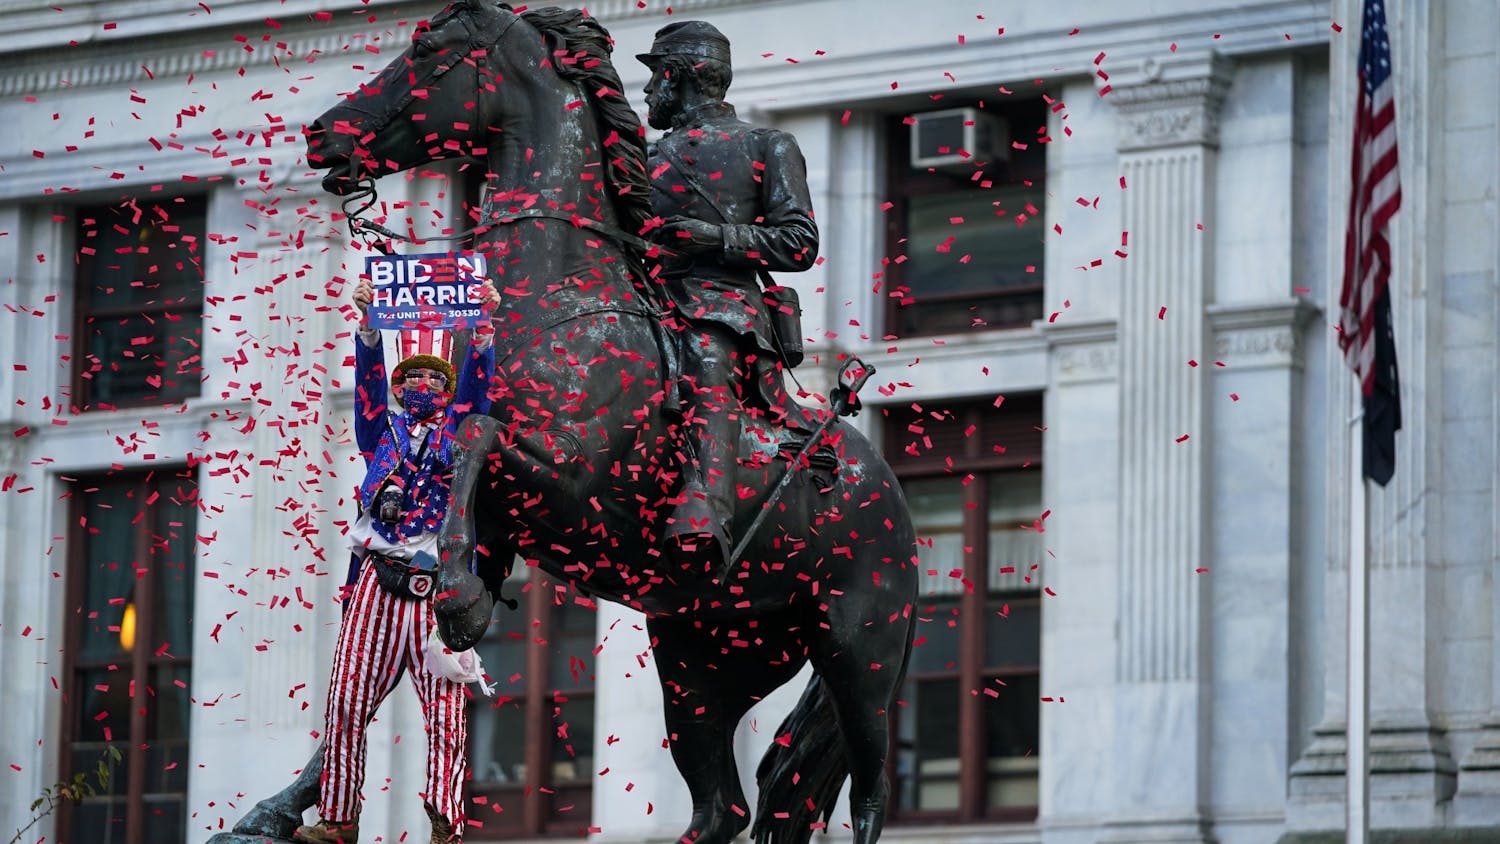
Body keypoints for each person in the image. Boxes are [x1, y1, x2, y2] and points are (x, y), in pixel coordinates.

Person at [294, 277, 497, 844]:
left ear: (447, 389)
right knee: (345, 700)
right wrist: (367, 327)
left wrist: (483, 330)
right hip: (377, 585)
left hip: (435, 592)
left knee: (446, 712)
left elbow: (478, 395)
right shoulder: (378, 432)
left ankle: (446, 824)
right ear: (399, 387)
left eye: (434, 379)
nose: (422, 386)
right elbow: (366, 384)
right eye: (411, 378)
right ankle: (339, 818)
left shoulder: (458, 435)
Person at [637, 20, 820, 572]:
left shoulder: (766, 144)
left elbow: (799, 242)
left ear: (676, 76)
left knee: (706, 356)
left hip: (720, 305)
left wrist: (716, 237)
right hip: (642, 300)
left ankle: (706, 507)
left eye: (654, 77)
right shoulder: (640, 157)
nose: (646, 90)